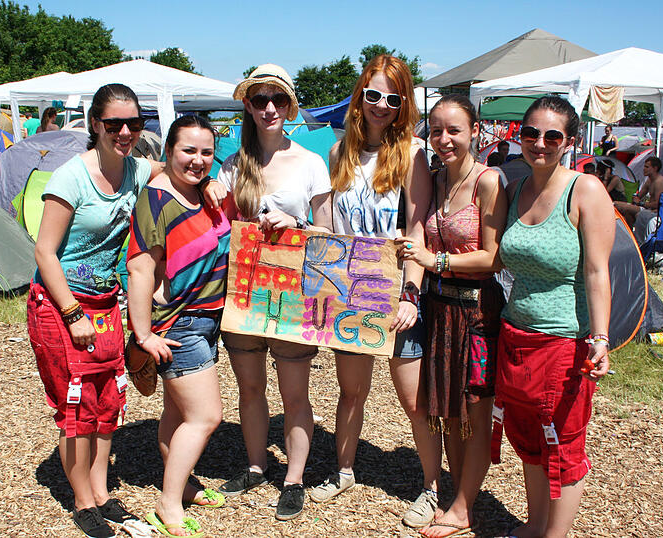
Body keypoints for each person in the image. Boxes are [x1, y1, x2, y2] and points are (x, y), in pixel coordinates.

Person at [309, 54, 441, 529]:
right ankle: (344, 470)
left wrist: (411, 294)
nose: (381, 105)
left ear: (403, 104)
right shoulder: (337, 154)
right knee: (351, 391)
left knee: (414, 401)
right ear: (359, 97)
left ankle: (432, 488)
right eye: (373, 95)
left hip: (396, 291)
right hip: (351, 292)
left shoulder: (412, 154)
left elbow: (417, 229)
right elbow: (326, 228)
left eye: (393, 98)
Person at [28, 83, 161, 538]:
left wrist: (212, 178)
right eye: (114, 124)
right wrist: (72, 313)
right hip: (61, 303)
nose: (125, 132)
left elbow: (176, 168)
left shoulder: (136, 169)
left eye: (134, 123)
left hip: (104, 302)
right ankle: (83, 502)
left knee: (108, 402)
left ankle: (103, 494)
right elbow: (45, 252)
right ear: (94, 124)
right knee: (77, 406)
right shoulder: (71, 178)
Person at [203, 64, 331, 522]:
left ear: (290, 106)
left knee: (295, 394)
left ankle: (294, 479)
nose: (269, 108)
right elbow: (217, 222)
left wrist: (296, 223)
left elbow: (328, 234)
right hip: (244, 291)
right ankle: (257, 465)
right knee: (251, 387)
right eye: (260, 100)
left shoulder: (312, 162)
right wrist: (210, 185)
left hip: (292, 292)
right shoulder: (234, 165)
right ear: (249, 106)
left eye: (277, 99)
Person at [495, 96, 613, 538]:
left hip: (564, 342)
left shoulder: (586, 190)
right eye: (530, 133)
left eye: (552, 136)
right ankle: (535, 525)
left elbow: (598, 272)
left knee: (562, 444)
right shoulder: (515, 189)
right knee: (528, 439)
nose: (539, 143)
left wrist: (600, 338)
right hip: (515, 334)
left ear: (569, 141)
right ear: (519, 136)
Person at [398, 94, 507, 537]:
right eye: (436, 130)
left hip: (477, 311)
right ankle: (459, 496)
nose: (444, 139)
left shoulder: (488, 181)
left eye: (454, 130)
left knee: (475, 414)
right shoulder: (436, 179)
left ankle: (463, 508)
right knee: (447, 412)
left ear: (475, 131)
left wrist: (434, 260)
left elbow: (494, 258)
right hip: (440, 308)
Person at [125, 115, 230, 537]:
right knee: (206, 416)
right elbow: (140, 270)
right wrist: (144, 334)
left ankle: (182, 484)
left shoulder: (201, 192)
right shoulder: (155, 200)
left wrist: (210, 183)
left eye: (207, 152)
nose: (198, 160)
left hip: (206, 319)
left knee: (177, 411)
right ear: (169, 150)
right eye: (188, 150)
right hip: (179, 324)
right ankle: (167, 504)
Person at [615, 156, 663, 241]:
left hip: (655, 212)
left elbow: (658, 204)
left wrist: (641, 203)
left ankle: (632, 238)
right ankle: (630, 237)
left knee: (617, 204)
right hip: (647, 208)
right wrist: (636, 198)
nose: (644, 169)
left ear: (655, 168)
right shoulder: (649, 180)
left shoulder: (659, 182)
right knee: (627, 212)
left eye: (647, 167)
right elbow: (639, 196)